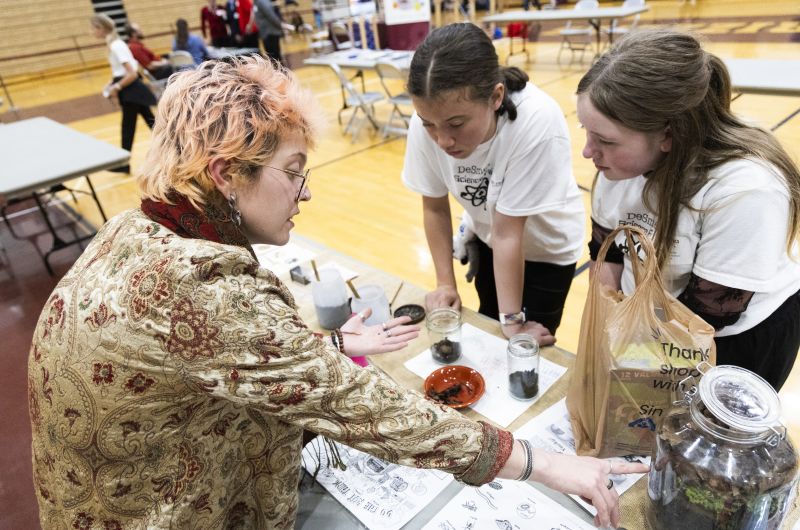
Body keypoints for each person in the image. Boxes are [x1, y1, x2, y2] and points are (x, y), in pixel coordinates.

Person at [28, 55, 645, 529]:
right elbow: (366, 409)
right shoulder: (203, 290)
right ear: (225, 175)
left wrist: (322, 343)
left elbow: (208, 353)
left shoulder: (136, 226)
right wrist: (544, 463)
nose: (306, 193)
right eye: (293, 173)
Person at [579, 29, 800, 391]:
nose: (588, 152)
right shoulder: (618, 166)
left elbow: (708, 316)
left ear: (669, 135)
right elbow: (607, 256)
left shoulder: (746, 190)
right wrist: (605, 333)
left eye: (604, 140)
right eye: (586, 132)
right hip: (656, 324)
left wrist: (631, 358)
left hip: (731, 337)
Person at [403, 23, 585, 346]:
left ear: (496, 96)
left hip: (546, 248)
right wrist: (445, 283)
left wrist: (514, 324)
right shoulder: (428, 119)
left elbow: (508, 231)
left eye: (456, 124)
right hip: (491, 239)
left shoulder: (536, 121)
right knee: (489, 324)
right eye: (429, 124)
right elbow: (433, 205)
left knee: (525, 349)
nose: (443, 140)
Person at [90, 14, 156, 174]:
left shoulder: (116, 45)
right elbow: (121, 71)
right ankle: (179, 150)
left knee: (129, 127)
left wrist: (117, 87)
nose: (91, 32)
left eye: (93, 28)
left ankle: (124, 163)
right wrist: (112, 83)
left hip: (131, 90)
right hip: (131, 89)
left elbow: (132, 73)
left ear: (101, 28)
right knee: (151, 123)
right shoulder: (114, 44)